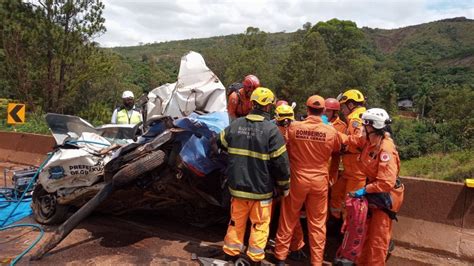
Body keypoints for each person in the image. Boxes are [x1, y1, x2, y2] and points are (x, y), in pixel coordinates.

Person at [218, 87, 291, 265]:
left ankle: (231, 254)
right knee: (259, 226)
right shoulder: (272, 131)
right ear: (268, 107)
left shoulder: (235, 125)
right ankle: (254, 259)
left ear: (252, 104)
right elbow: (281, 164)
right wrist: (285, 186)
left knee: (236, 222)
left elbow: (219, 142)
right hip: (261, 191)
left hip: (237, 188)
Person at [274, 95, 342, 265]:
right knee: (318, 224)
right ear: (324, 111)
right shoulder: (331, 131)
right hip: (319, 181)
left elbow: (284, 146)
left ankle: (280, 257)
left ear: (307, 109)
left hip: (297, 179)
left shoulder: (295, 127)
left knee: (288, 217)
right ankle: (317, 262)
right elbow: (338, 150)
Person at [345, 108, 404, 265]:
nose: (362, 128)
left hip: (385, 196)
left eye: (365, 125)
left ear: (372, 127)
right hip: (374, 191)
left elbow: (386, 182)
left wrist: (364, 190)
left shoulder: (385, 149)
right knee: (365, 234)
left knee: (377, 240)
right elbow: (355, 141)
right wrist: (331, 132)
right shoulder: (371, 142)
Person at [330, 89, 367, 219]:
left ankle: (349, 234)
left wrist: (338, 136)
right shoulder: (356, 118)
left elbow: (359, 141)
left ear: (351, 105)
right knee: (336, 193)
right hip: (350, 170)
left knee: (351, 204)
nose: (342, 110)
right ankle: (337, 224)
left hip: (357, 172)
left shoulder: (356, 119)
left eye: (343, 106)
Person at [324, 98, 347, 186]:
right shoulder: (318, 123)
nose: (325, 113)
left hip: (333, 161)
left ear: (334, 113)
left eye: (328, 111)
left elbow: (343, 144)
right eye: (324, 110)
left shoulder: (342, 126)